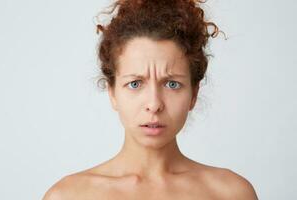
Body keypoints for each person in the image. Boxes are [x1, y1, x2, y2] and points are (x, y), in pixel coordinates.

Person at [43, 0, 258, 199]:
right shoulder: (69, 196)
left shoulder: (231, 194)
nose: (154, 104)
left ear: (193, 94)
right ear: (112, 93)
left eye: (172, 84)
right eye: (135, 84)